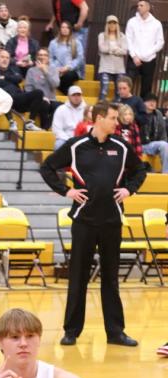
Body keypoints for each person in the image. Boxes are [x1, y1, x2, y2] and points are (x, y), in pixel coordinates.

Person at [39, 101, 147, 347]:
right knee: (78, 276)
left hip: (111, 221)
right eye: (111, 118)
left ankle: (116, 332)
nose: (116, 122)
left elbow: (140, 169)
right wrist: (66, 191)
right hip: (84, 221)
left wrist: (129, 190)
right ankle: (71, 331)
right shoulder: (76, 146)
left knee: (111, 277)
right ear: (98, 118)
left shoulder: (121, 146)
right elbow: (47, 167)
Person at [0, 48, 50, 131]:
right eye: (2, 57)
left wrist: (5, 78)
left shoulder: (13, 70)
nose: (5, 60)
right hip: (6, 100)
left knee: (40, 95)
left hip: (19, 98)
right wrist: (11, 81)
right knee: (5, 94)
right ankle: (12, 122)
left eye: (7, 58)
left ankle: (32, 124)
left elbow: (19, 78)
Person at [125, 0, 164, 100]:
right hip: (134, 59)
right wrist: (134, 56)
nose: (139, 7)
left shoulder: (156, 23)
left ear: (148, 7)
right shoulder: (132, 22)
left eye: (141, 5)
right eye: (138, 5)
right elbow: (128, 39)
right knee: (127, 84)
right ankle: (125, 105)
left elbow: (160, 42)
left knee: (146, 87)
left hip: (150, 59)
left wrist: (149, 53)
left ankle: (143, 110)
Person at [48, 21, 84, 94]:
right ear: (60, 29)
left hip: (72, 70)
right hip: (56, 70)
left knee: (67, 76)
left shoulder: (76, 42)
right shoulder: (53, 43)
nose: (65, 29)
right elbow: (49, 57)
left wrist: (68, 67)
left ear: (70, 30)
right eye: (63, 27)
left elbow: (80, 58)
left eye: (67, 28)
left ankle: (70, 94)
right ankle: (73, 95)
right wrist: (56, 69)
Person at [96, 15, 126, 100]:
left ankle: (117, 109)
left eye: (114, 23)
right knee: (104, 89)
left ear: (117, 25)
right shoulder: (102, 35)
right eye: (110, 23)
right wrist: (116, 50)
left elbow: (124, 51)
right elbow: (102, 49)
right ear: (107, 24)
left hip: (119, 67)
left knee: (119, 91)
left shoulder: (122, 36)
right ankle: (101, 108)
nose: (112, 25)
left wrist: (110, 50)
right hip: (105, 66)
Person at [141, 94, 168, 174]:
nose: (152, 103)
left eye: (154, 101)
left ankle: (166, 174)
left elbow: (163, 134)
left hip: (153, 146)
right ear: (143, 103)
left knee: (165, 145)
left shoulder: (158, 114)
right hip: (140, 145)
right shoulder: (138, 114)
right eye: (149, 101)